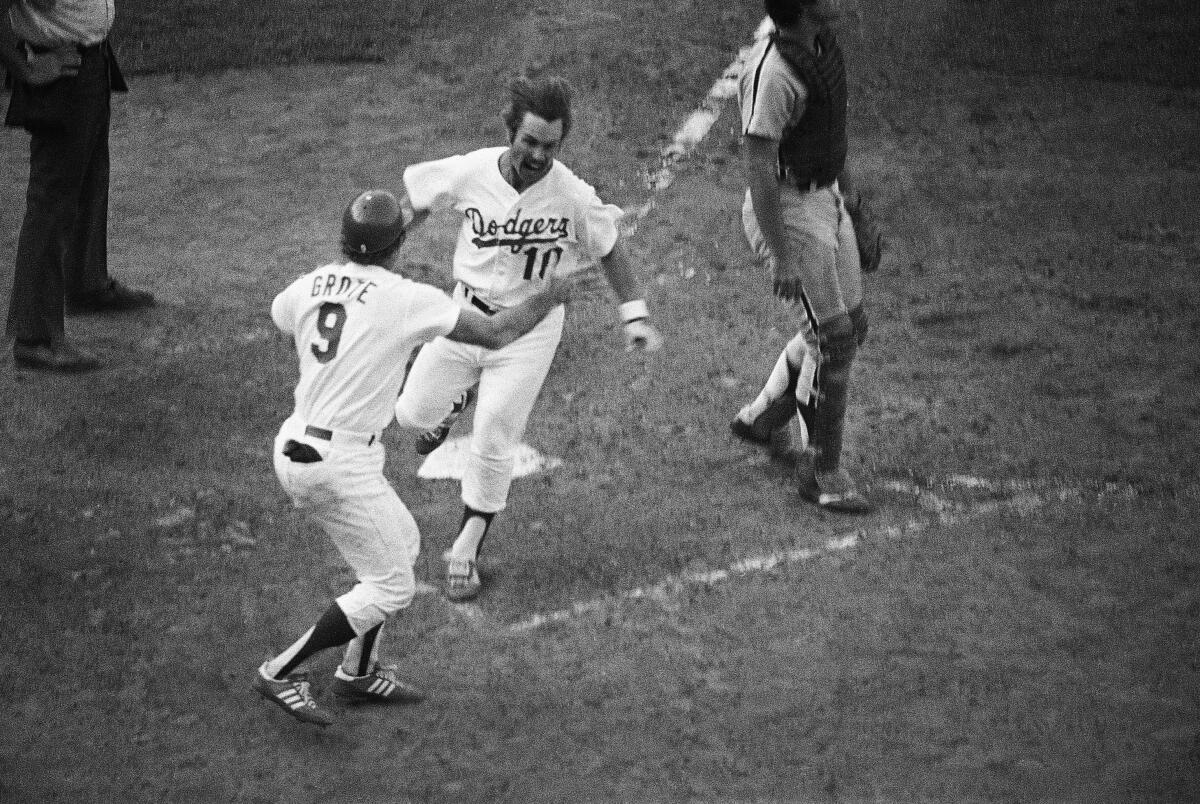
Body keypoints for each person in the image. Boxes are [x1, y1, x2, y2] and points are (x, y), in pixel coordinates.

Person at [253, 190, 597, 726]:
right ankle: (281, 671)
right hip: (337, 463)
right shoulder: (407, 297)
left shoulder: (312, 282)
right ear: (399, 244)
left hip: (297, 442)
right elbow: (495, 332)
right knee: (392, 585)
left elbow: (283, 319)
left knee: (401, 545)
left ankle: (357, 674)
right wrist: (548, 295)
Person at [392, 75, 663, 602]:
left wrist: (635, 318)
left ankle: (467, 545)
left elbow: (609, 249)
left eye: (550, 145)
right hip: (465, 314)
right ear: (510, 131)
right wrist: (388, 242)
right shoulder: (472, 170)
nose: (539, 154)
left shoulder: (570, 195)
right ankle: (451, 404)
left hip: (531, 329)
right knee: (412, 417)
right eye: (529, 141)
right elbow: (419, 201)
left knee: (495, 433)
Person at [729, 0, 880, 514]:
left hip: (824, 197)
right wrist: (782, 254)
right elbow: (757, 165)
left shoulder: (819, 47)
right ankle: (821, 471)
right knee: (833, 342)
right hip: (787, 211)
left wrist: (854, 209)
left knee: (849, 328)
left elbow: (830, 141)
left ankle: (765, 416)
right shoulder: (774, 69)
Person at [1, 0, 153, 373]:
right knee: (52, 202)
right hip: (61, 70)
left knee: (89, 179)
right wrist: (25, 67)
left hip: (91, 62)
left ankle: (86, 284)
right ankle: (35, 337)